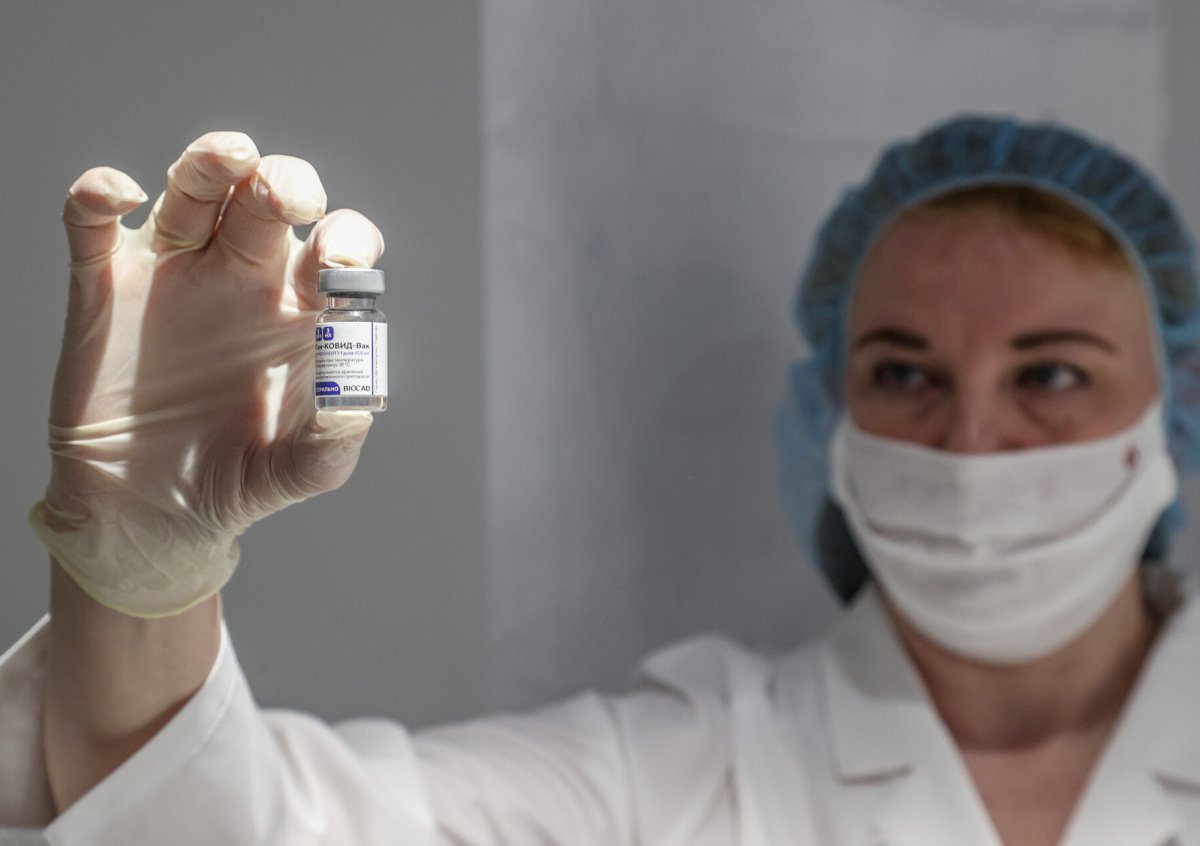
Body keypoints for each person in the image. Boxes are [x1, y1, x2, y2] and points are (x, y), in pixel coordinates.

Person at [0, 114, 1197, 846]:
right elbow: (245, 831)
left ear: (1175, 407)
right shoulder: (666, 777)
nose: (970, 441)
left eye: (1053, 374)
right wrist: (142, 574)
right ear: (830, 416)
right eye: (903, 372)